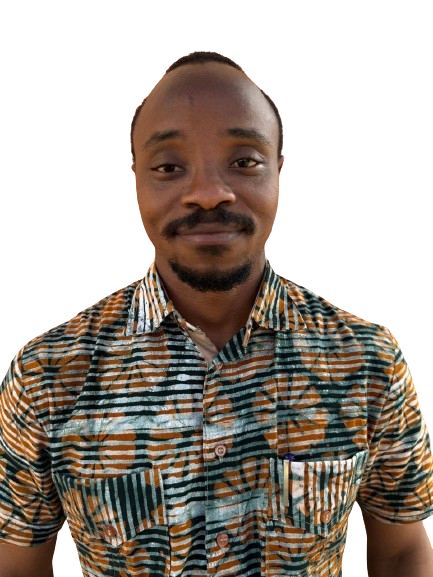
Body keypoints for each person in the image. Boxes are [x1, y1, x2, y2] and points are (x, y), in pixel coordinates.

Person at [0, 51, 432, 577]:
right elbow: (17, 564)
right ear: (136, 178)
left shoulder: (365, 362)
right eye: (169, 167)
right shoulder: (50, 375)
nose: (208, 193)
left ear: (278, 169)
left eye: (244, 161)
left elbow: (402, 551)